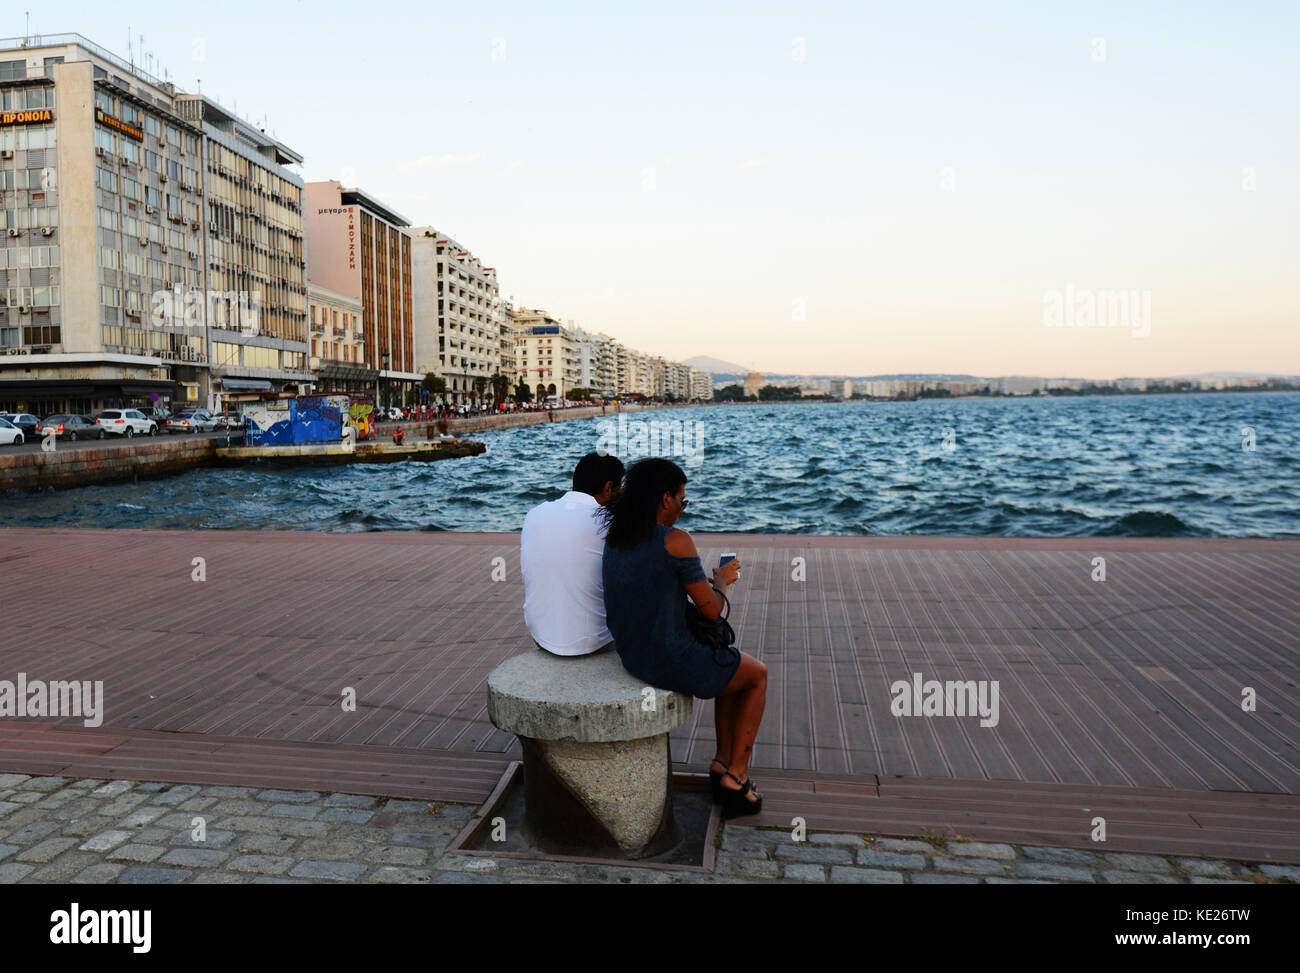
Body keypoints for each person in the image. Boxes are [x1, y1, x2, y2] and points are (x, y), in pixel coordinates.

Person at [601, 458, 768, 819]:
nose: (681, 508)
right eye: (682, 500)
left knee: (732, 672)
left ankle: (723, 764)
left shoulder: (617, 537)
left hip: (633, 654)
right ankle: (736, 776)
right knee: (756, 675)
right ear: (664, 499)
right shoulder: (675, 540)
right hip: (668, 657)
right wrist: (722, 582)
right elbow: (712, 611)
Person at [520, 452, 626, 656]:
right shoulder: (609, 522)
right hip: (595, 641)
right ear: (609, 487)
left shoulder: (535, 514)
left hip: (540, 635)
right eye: (619, 488)